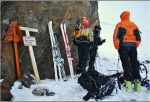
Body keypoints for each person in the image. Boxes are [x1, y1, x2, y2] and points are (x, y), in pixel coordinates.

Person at [113, 11, 141, 92]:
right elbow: (138, 38)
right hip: (133, 47)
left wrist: (118, 47)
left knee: (126, 64)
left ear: (122, 17)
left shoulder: (120, 24)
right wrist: (135, 45)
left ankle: (128, 83)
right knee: (134, 63)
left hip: (123, 46)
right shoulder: (134, 25)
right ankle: (137, 84)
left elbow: (116, 37)